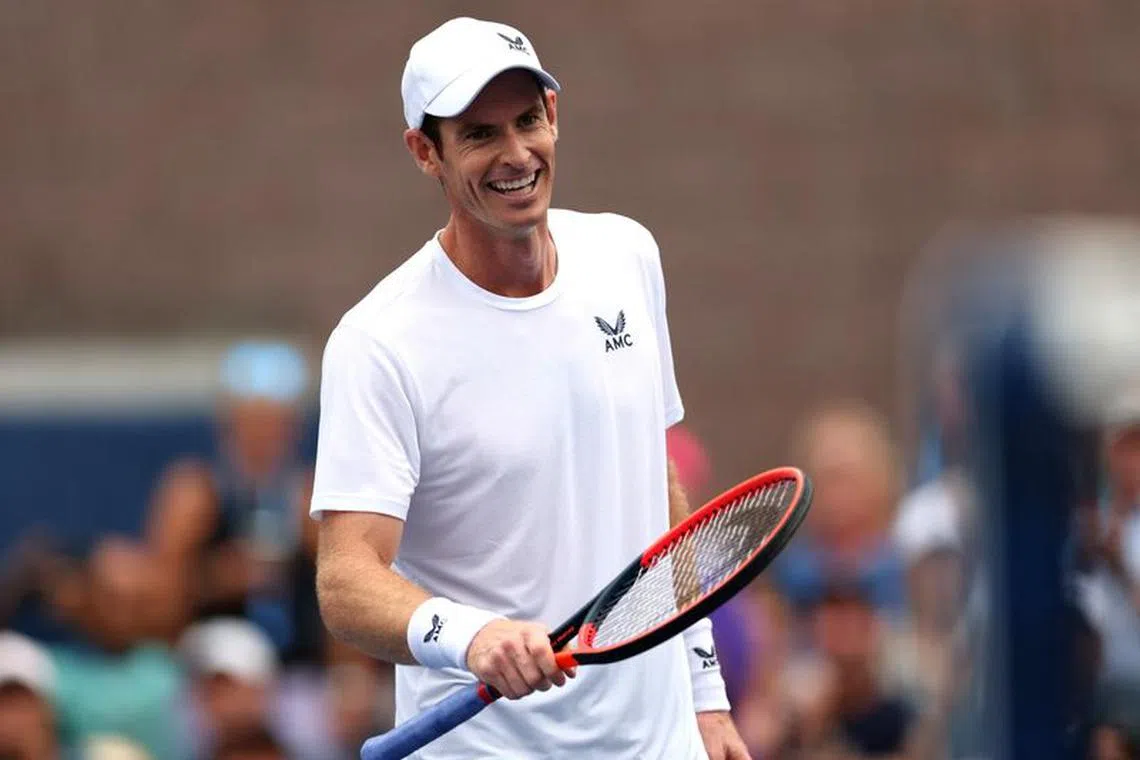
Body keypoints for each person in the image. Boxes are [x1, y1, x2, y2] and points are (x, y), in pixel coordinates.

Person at [310, 16, 748, 759]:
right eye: (480, 135)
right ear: (426, 154)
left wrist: (706, 698)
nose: (516, 155)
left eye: (527, 120)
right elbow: (346, 579)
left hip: (660, 742)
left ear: (555, 116)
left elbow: (655, 486)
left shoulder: (626, 254)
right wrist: (469, 636)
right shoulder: (377, 343)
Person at [145, 340, 322, 662]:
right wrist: (214, 580)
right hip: (210, 672)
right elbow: (158, 600)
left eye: (274, 423)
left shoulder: (310, 495)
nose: (263, 436)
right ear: (229, 425)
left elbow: (347, 593)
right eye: (253, 423)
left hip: (300, 676)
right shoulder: (195, 492)